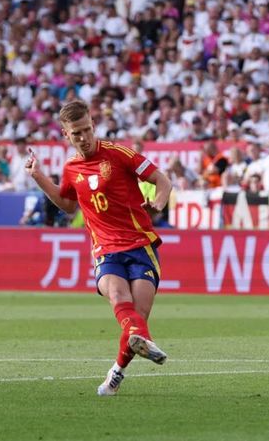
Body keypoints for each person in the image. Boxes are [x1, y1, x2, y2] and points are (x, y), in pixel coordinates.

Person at [25, 100, 173, 397]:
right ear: (66, 135)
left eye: (87, 129)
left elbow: (161, 180)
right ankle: (136, 344)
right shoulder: (71, 168)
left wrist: (158, 202)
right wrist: (39, 177)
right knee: (119, 298)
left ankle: (116, 371)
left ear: (93, 125)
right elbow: (68, 205)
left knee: (137, 318)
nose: (84, 137)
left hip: (141, 243)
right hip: (106, 248)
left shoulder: (119, 155)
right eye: (77, 133)